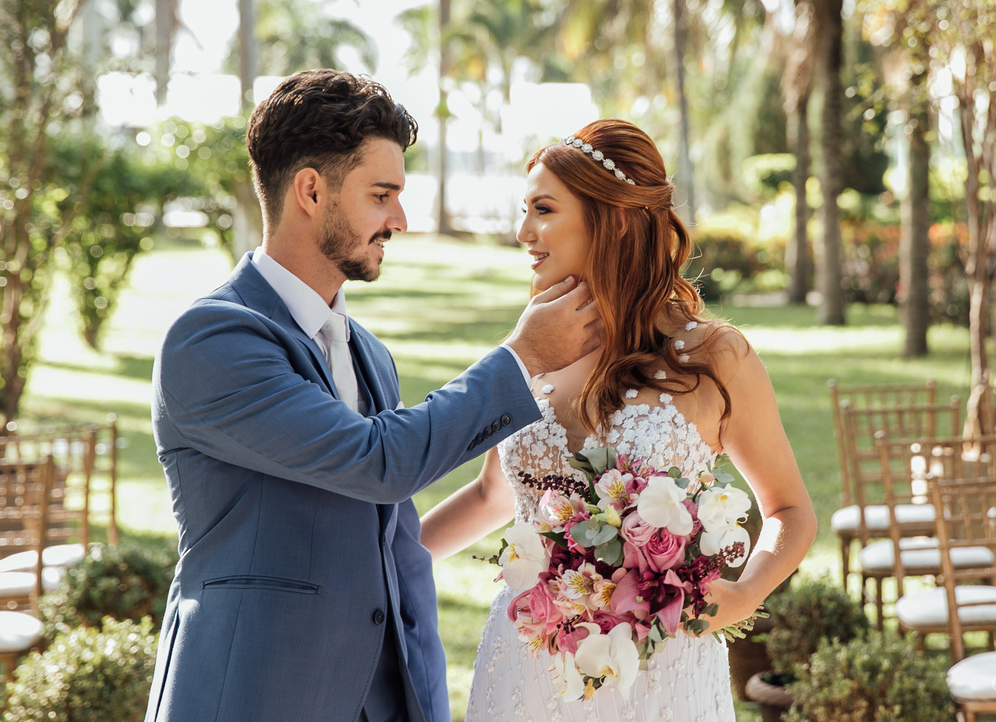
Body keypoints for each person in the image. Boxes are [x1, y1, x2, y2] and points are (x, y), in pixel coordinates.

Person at [145, 69, 602, 722]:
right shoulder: (211, 340)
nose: (400, 219)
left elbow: (393, 543)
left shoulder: (371, 355)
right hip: (252, 697)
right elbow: (377, 463)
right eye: (381, 194)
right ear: (311, 190)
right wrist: (522, 358)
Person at [419, 119, 818, 720]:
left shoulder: (715, 356)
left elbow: (790, 509)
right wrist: (384, 562)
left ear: (615, 219)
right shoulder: (529, 350)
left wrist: (744, 594)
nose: (523, 231)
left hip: (663, 675)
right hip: (530, 662)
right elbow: (489, 498)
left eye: (543, 209)